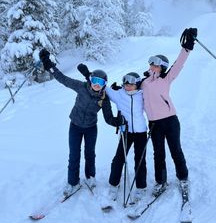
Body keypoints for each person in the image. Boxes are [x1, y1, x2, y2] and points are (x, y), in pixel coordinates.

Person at [39, 49, 125, 197]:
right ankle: (73, 182)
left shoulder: (104, 99)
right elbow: (63, 79)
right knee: (74, 155)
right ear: (91, 81)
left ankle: (90, 177)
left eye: (101, 82)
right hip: (75, 126)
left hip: (91, 128)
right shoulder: (81, 87)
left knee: (90, 154)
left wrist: (118, 121)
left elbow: (108, 117)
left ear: (104, 84)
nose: (97, 84)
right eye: (95, 81)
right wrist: (49, 65)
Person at [141, 28, 197, 195]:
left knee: (175, 150)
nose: (152, 65)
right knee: (158, 154)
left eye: (156, 64)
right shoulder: (142, 82)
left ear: (162, 67)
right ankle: (160, 182)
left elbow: (178, 64)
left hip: (170, 121)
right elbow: (130, 91)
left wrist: (187, 47)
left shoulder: (167, 78)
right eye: (151, 63)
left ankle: (183, 178)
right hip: (154, 123)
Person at [105, 72, 148, 202]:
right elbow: (103, 87)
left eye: (131, 85)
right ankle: (114, 184)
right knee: (119, 158)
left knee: (140, 160)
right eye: (126, 84)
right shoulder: (119, 95)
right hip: (126, 131)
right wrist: (89, 76)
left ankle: (141, 187)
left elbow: (153, 105)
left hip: (141, 132)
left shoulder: (143, 95)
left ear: (137, 85)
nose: (128, 87)